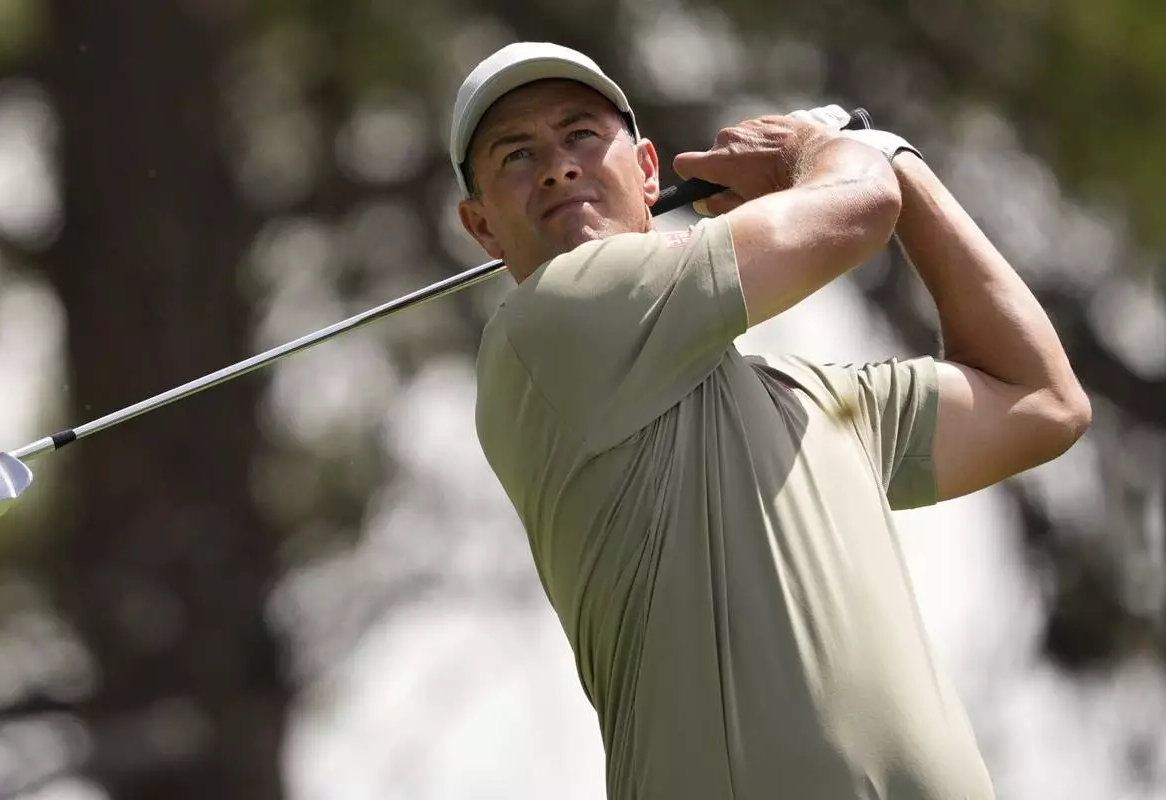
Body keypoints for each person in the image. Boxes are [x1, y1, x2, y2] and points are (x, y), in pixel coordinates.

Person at [451, 41, 1091, 799]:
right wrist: (837, 154)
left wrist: (895, 159)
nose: (557, 166)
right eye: (516, 155)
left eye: (581, 135)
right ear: (483, 228)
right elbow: (856, 211)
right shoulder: (548, 322)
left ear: (649, 171)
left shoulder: (809, 394)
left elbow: (1042, 402)